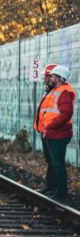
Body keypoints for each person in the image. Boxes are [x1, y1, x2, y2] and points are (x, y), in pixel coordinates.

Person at [36, 65, 74, 201]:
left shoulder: (64, 92)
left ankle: (61, 192)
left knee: (58, 164)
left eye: (52, 76)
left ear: (58, 78)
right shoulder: (56, 90)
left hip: (58, 133)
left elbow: (66, 113)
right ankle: (53, 187)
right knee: (54, 162)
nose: (50, 77)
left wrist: (50, 126)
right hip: (52, 133)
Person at [34, 63, 58, 192]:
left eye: (49, 76)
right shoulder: (48, 92)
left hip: (52, 132)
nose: (46, 79)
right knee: (50, 160)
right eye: (46, 76)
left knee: (54, 160)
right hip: (45, 131)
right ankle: (50, 186)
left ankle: (52, 186)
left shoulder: (56, 93)